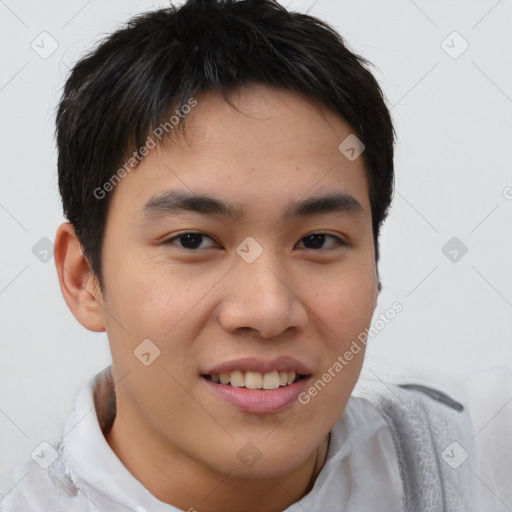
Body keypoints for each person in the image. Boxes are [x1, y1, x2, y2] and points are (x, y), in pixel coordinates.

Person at [0, 0, 490, 510]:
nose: (268, 311)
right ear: (84, 278)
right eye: (192, 240)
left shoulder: (477, 465)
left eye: (318, 240)